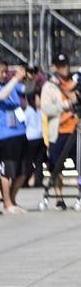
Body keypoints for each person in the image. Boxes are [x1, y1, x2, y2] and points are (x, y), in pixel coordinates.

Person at [41, 53, 80, 210]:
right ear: (55, 68)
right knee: (56, 166)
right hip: (58, 131)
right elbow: (46, 108)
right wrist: (65, 105)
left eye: (66, 65)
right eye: (60, 66)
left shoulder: (76, 83)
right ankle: (59, 197)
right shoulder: (49, 86)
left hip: (77, 130)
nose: (64, 69)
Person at [1, 63, 28, 214]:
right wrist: (14, 78)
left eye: (6, 72)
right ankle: (7, 203)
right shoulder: (5, 88)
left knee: (24, 171)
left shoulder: (12, 87)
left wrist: (26, 75)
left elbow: (27, 89)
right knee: (7, 171)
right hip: (5, 135)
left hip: (21, 132)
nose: (5, 75)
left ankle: (12, 199)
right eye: (2, 72)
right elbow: (3, 95)